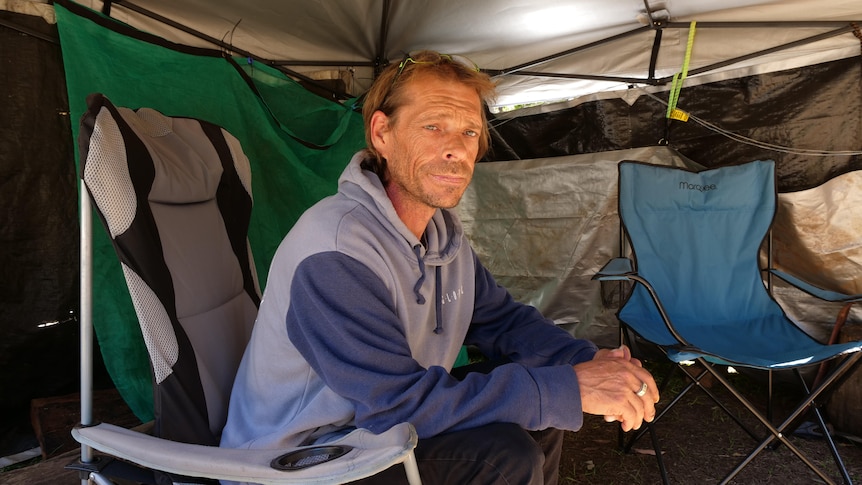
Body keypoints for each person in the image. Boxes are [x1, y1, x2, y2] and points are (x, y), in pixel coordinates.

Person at [220, 50, 658, 484]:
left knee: (541, 406)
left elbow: (502, 320)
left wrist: (590, 362)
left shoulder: (441, 235)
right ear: (382, 133)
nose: (455, 149)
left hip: (367, 433)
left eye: (469, 132)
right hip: (293, 463)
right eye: (433, 127)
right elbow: (396, 405)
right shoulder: (335, 252)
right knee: (502, 456)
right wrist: (573, 387)